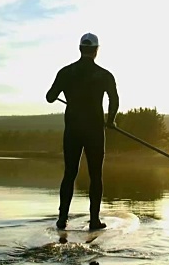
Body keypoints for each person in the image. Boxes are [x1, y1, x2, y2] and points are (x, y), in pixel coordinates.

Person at [46, 32, 119, 230]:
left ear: (80, 49)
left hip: (72, 130)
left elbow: (50, 97)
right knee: (96, 175)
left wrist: (62, 95)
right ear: (96, 51)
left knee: (70, 173)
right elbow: (114, 99)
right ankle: (94, 220)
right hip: (94, 129)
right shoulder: (104, 75)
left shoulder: (65, 72)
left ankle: (62, 219)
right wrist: (110, 120)